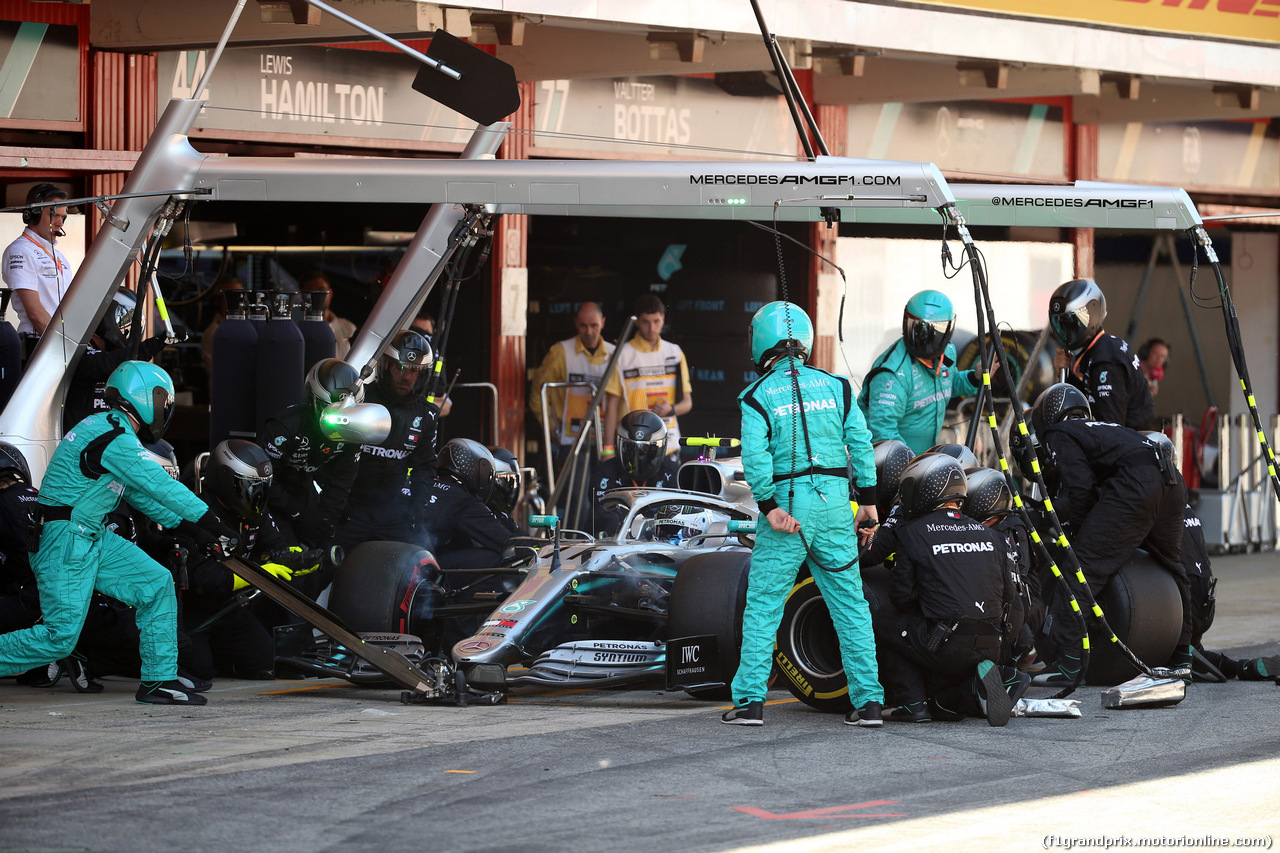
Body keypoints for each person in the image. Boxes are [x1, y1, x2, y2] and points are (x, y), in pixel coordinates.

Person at [0, 361, 239, 705]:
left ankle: (159, 680)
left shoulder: (109, 431)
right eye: (161, 400)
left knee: (155, 583)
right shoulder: (112, 436)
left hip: (88, 536)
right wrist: (214, 524)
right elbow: (157, 484)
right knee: (58, 638)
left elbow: (142, 496)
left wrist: (197, 534)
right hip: (65, 540)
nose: (164, 409)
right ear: (141, 397)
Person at [722, 301, 883, 728]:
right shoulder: (838, 387)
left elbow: (755, 459)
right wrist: (867, 502)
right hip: (834, 505)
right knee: (850, 604)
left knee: (763, 606)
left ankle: (750, 704)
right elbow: (862, 446)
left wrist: (770, 508)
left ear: (760, 344)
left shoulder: (756, 397)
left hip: (787, 510)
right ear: (805, 340)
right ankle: (869, 704)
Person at [1029, 383, 1189, 686]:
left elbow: (1081, 494)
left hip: (1136, 486)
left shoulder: (1058, 434)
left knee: (1080, 568)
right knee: (1173, 564)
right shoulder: (1105, 425)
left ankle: (1070, 661)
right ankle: (1182, 654)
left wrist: (1041, 514)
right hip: (1171, 480)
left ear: (1046, 417)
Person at [862, 454, 1027, 726]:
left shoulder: (912, 532)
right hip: (992, 644)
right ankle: (982, 683)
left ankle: (911, 703)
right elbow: (1008, 596)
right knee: (944, 706)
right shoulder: (993, 535)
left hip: (944, 644)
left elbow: (901, 598)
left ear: (922, 489)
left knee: (885, 619)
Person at [174, 440, 296, 680]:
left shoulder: (256, 512)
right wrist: (261, 574)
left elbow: (278, 548)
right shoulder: (195, 511)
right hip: (191, 610)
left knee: (265, 663)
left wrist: (298, 561)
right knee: (199, 669)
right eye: (251, 488)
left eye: (263, 488)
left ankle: (221, 657)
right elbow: (204, 580)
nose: (258, 498)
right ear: (225, 481)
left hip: (230, 607)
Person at [334, 331, 439, 552]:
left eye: (414, 371)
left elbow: (425, 468)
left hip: (394, 514)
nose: (406, 377)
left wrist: (417, 512)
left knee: (413, 568)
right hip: (350, 510)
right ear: (385, 366)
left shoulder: (427, 415)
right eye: (400, 368)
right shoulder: (359, 401)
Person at [259, 358, 365, 552]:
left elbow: (341, 482)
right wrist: (298, 513)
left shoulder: (353, 432)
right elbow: (263, 482)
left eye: (348, 413)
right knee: (289, 555)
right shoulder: (284, 427)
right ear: (313, 398)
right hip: (270, 497)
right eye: (328, 408)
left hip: (304, 489)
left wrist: (326, 520)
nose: (340, 422)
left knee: (325, 553)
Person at [858, 290, 981, 454]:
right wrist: (913, 465)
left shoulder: (948, 353)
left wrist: (975, 376)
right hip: (887, 462)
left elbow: (948, 382)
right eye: (917, 327)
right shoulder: (892, 373)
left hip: (922, 459)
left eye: (934, 331)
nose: (924, 339)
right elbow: (883, 432)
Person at [1047, 278, 1154, 429]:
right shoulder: (1100, 350)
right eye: (1060, 324)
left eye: (1071, 322)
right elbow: (1091, 399)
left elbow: (1111, 427)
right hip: (1130, 442)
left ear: (1092, 313)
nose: (1066, 332)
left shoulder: (1106, 358)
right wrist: (1064, 372)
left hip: (1132, 445)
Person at [63, 288, 169, 431]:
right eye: (124, 318)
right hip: (81, 444)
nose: (129, 329)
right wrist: (155, 344)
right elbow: (107, 363)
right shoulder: (77, 354)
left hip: (103, 440)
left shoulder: (107, 357)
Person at [600, 295, 692, 459]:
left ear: (663, 318)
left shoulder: (675, 352)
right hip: (633, 446)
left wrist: (671, 409)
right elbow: (611, 407)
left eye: (656, 321)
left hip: (668, 445)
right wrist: (607, 450)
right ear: (636, 321)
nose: (651, 327)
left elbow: (687, 403)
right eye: (646, 322)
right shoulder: (621, 354)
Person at [530, 302, 615, 464]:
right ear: (575, 323)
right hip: (571, 441)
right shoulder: (560, 351)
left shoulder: (615, 354)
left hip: (604, 439)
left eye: (594, 325)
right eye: (583, 325)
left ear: (603, 322)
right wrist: (550, 425)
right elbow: (538, 392)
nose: (589, 331)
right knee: (576, 491)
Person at [419, 438, 519, 570]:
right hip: (419, 566)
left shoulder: (418, 483)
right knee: (497, 557)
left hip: (390, 555)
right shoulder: (463, 500)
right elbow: (505, 542)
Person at [588, 410, 680, 538]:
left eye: (648, 451)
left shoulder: (673, 473)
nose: (639, 459)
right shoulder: (604, 474)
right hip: (615, 544)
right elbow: (603, 517)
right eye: (631, 450)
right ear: (618, 445)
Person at [3, 183, 73, 342]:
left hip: (64, 342)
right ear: (33, 214)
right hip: (40, 343)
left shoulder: (59, 255)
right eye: (54, 215)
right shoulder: (20, 251)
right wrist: (63, 343)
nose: (60, 223)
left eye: (63, 217)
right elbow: (35, 314)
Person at [300, 271, 357, 360]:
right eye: (311, 291)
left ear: (330, 293)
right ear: (303, 297)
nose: (317, 295)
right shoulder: (300, 333)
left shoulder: (348, 327)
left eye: (321, 290)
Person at [409, 310, 452, 417]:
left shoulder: (436, 364)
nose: (424, 340)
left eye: (427, 334)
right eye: (418, 333)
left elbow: (446, 406)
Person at [200, 277, 245, 376]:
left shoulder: (245, 328)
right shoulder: (215, 333)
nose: (240, 301)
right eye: (234, 296)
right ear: (218, 301)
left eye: (241, 296)